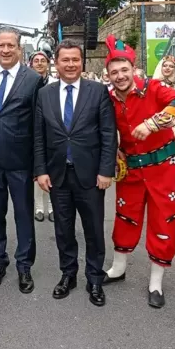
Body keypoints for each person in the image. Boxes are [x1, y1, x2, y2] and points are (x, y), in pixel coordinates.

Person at [103, 36, 175, 308]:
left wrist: (153, 123)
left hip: (162, 170)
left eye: (124, 70)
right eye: (114, 72)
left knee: (162, 222)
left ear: (133, 69)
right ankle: (118, 268)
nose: (120, 76)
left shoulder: (153, 88)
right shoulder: (108, 99)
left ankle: (156, 282)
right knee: (124, 217)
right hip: (130, 169)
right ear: (108, 74)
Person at [34, 39, 117, 307]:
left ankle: (94, 278)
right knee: (63, 230)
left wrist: (106, 170)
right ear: (55, 63)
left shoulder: (98, 91)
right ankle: (68, 275)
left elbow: (107, 134)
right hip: (58, 175)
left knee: (93, 230)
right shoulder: (44, 94)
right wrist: (41, 171)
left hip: (91, 176)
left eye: (75, 60)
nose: (70, 64)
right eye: (65, 60)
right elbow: (38, 137)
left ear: (82, 62)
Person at [0, 27, 42, 294]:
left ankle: (24, 265)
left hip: (20, 161)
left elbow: (39, 126)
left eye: (10, 46)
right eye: (1, 46)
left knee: (23, 215)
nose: (5, 50)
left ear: (19, 48)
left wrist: (39, 165)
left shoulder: (33, 80)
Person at [29, 50, 57, 223]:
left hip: (52, 132)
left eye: (42, 60)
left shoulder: (55, 83)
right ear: (32, 63)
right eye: (36, 60)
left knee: (53, 171)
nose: (39, 63)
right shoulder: (27, 83)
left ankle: (53, 207)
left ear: (47, 63)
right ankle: (39, 208)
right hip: (33, 132)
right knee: (38, 172)